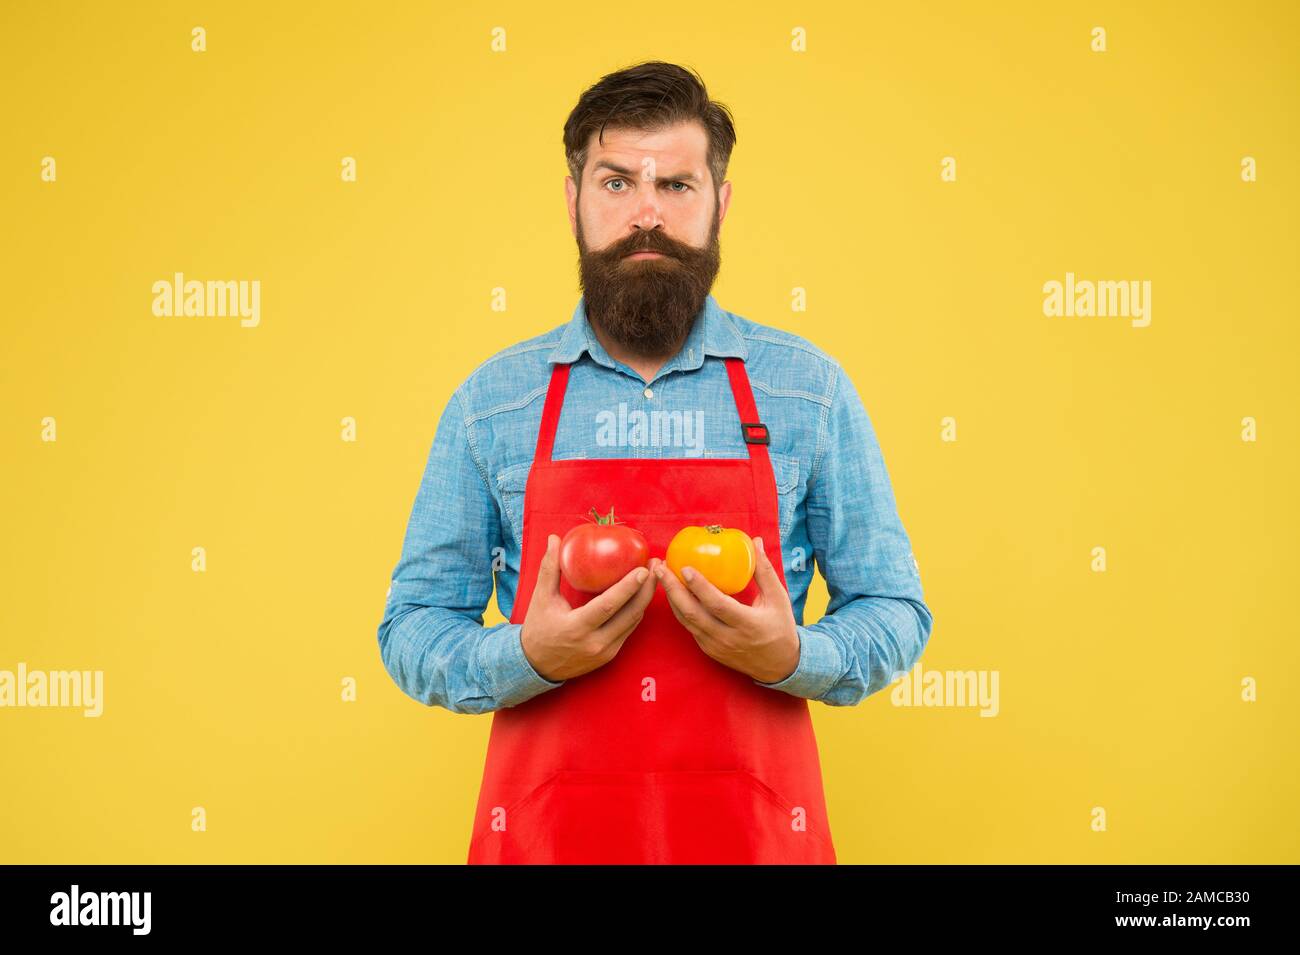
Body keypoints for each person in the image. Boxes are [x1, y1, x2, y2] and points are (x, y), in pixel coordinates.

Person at [377, 60, 934, 864]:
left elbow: (895, 607)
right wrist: (525, 657)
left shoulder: (806, 390)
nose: (647, 214)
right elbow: (412, 628)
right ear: (573, 202)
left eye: (676, 185)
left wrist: (795, 656)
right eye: (615, 183)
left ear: (720, 203)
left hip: (756, 840)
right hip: (547, 842)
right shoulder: (492, 402)